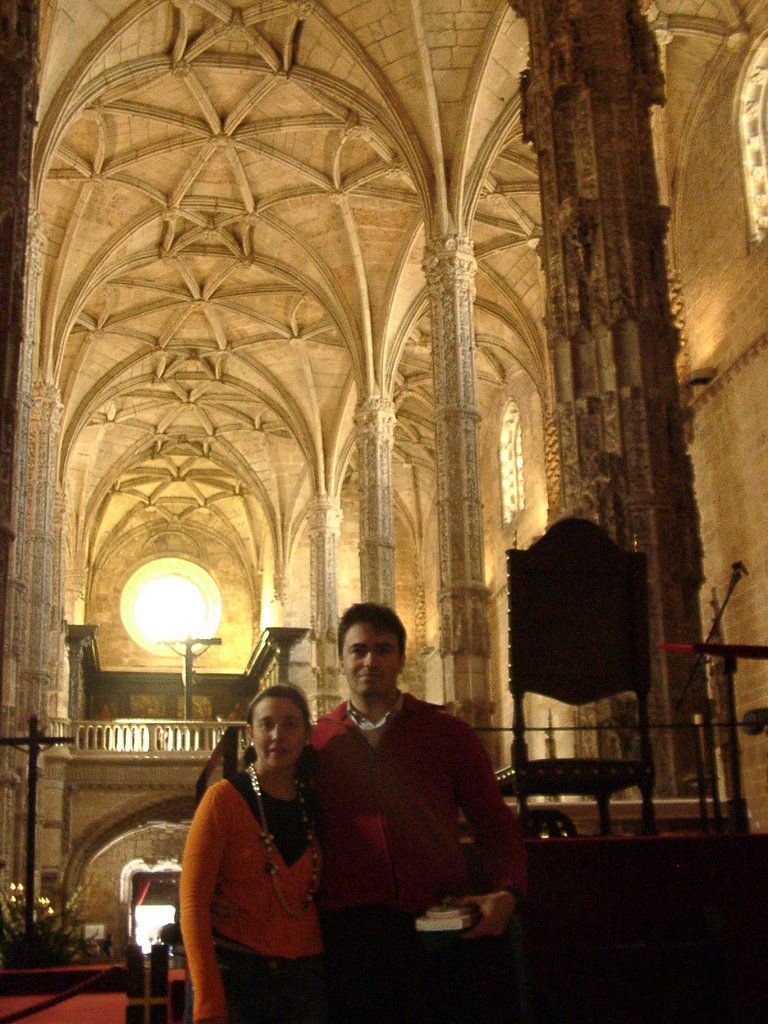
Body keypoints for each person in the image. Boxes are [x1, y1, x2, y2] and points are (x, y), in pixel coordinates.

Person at [311, 602, 528, 1024]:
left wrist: (508, 890)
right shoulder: (317, 743)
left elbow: (494, 822)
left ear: (401, 658)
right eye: (358, 650)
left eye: (383, 649)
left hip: (436, 922)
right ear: (340, 660)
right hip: (351, 933)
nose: (369, 660)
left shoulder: (446, 733)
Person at [180, 684, 326, 1024]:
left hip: (304, 980)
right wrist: (208, 1002)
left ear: (307, 735)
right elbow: (192, 903)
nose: (278, 735)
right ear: (250, 733)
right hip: (237, 975)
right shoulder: (223, 800)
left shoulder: (314, 803)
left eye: (291, 724)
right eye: (267, 724)